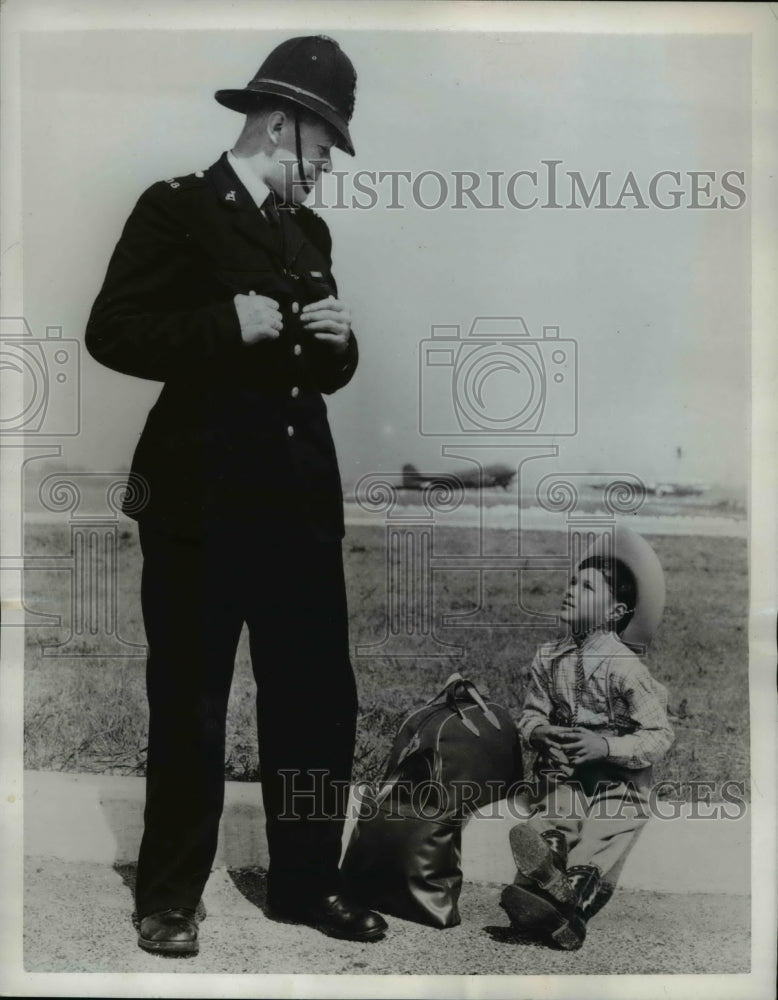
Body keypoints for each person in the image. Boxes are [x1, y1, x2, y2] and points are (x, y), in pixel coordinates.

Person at [86, 34, 388, 955]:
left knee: (315, 701)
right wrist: (222, 322)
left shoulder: (311, 234)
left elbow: (317, 374)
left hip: (298, 511)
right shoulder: (176, 208)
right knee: (191, 703)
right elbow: (113, 331)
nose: (327, 167)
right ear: (280, 124)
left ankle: (305, 883)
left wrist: (339, 344)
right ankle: (170, 897)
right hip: (200, 509)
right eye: (323, 147)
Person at [501, 527, 674, 950]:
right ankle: (552, 858)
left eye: (587, 587)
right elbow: (531, 714)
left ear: (615, 611)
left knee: (613, 819)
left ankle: (570, 887)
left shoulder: (625, 668)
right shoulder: (549, 657)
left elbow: (659, 735)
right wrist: (540, 732)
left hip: (618, 777)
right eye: (573, 582)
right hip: (567, 773)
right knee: (558, 803)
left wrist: (606, 746)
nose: (571, 591)